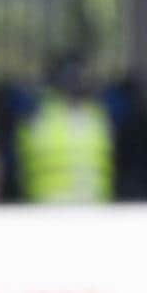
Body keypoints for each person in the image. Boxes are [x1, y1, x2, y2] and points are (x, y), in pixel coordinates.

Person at [17, 53, 114, 203]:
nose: (74, 82)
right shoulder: (36, 113)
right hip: (46, 210)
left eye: (78, 76)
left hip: (96, 209)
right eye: (69, 76)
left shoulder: (99, 115)